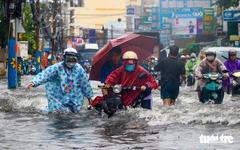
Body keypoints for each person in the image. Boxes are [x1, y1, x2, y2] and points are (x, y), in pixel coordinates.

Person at [27, 48, 93, 113]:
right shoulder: (58, 67)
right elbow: (46, 74)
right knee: (59, 114)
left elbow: (85, 84)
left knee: (74, 115)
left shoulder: (79, 69)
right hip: (59, 96)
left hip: (74, 97)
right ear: (65, 58)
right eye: (69, 60)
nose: (71, 62)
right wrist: (35, 82)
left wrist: (89, 97)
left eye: (73, 60)